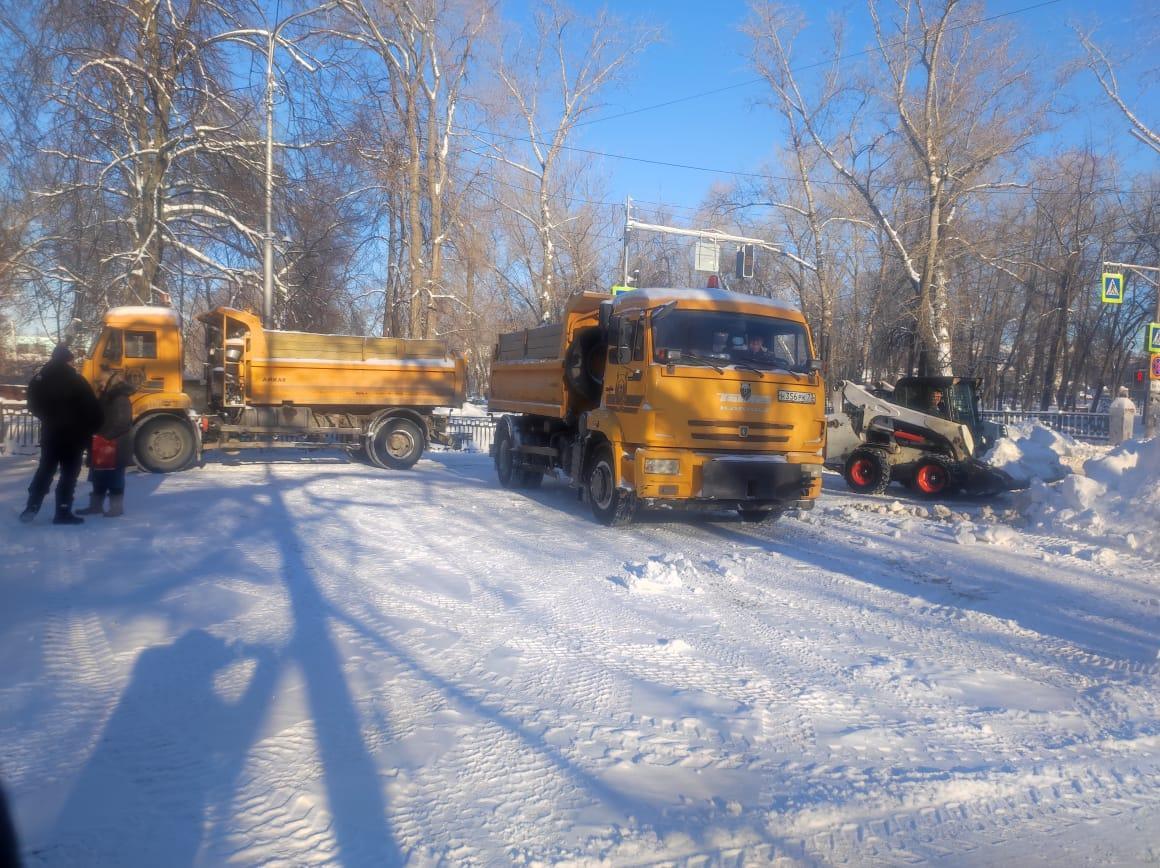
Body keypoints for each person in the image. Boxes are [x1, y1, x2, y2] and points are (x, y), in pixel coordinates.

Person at [20, 344, 103, 525]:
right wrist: (93, 427)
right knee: (69, 474)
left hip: (51, 434)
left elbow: (32, 404)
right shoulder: (77, 381)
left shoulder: (39, 379)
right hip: (74, 437)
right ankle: (63, 511)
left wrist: (49, 418)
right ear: (68, 360)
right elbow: (92, 408)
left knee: (45, 470)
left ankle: (32, 506)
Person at [77, 374, 136, 518]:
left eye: (102, 381)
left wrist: (104, 436)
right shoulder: (107, 397)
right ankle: (96, 506)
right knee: (99, 476)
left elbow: (122, 423)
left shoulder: (120, 398)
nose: (99, 384)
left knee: (114, 477)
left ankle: (116, 508)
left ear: (111, 382)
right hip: (102, 443)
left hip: (115, 444)